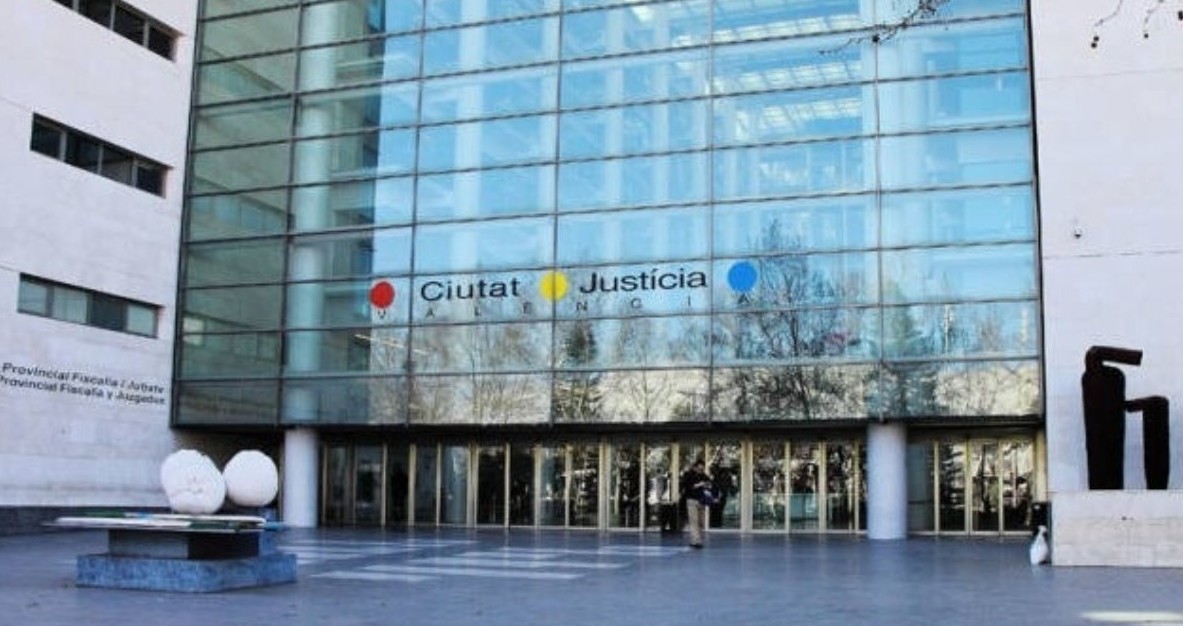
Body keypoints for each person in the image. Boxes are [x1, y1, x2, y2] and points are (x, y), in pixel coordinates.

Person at [679, 459, 713, 548]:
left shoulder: (703, 475)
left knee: (701, 522)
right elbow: (688, 486)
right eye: (699, 468)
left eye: (702, 469)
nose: (700, 470)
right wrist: (700, 484)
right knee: (694, 521)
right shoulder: (688, 475)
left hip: (701, 501)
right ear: (695, 467)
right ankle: (696, 541)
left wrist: (707, 484)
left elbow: (709, 483)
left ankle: (698, 539)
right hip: (691, 500)